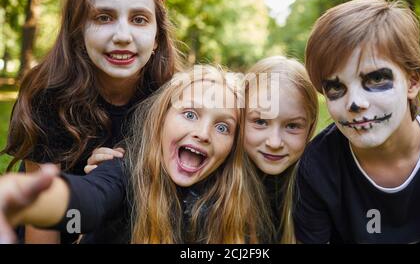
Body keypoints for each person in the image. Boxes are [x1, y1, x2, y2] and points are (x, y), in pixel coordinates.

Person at [1, 0, 182, 243]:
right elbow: (42, 223)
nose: (123, 36)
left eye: (139, 19)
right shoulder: (48, 95)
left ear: (157, 36)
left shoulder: (172, 99)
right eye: (103, 17)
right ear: (78, 30)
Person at [0, 65, 273, 244]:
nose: (203, 133)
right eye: (190, 114)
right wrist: (29, 197)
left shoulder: (234, 195)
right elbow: (90, 198)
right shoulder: (124, 169)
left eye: (222, 127)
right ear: (160, 119)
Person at [294, 0, 420, 243]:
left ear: (413, 81)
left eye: (375, 79)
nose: (355, 103)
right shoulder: (317, 165)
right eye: (336, 87)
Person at [244, 56, 318, 243]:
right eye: (260, 122)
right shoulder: (215, 187)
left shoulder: (316, 186)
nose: (275, 142)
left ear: (310, 127)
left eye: (292, 126)